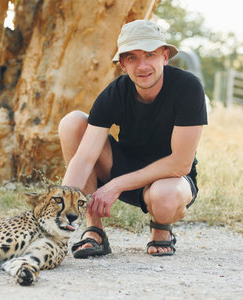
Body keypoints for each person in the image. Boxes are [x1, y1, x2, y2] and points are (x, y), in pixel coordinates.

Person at [58, 19, 208, 257]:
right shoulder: (114, 93)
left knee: (165, 198)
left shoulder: (188, 88)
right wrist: (61, 209)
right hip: (122, 168)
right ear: (122, 65)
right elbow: (84, 158)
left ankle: (161, 229)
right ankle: (93, 230)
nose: (142, 66)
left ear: (165, 56)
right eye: (132, 58)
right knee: (73, 123)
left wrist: (115, 186)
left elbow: (180, 163)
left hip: (169, 179)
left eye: (150, 54)